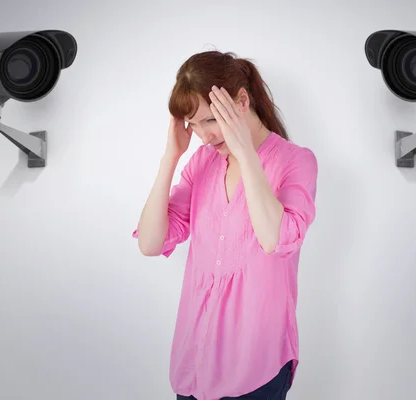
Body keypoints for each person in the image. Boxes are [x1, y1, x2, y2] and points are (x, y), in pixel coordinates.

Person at [132, 50, 318, 400]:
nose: (203, 136)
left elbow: (274, 239)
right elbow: (150, 243)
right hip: (195, 363)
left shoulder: (297, 162)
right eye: (194, 124)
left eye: (210, 120)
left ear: (242, 101)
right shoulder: (201, 163)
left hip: (255, 366)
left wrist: (246, 152)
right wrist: (170, 158)